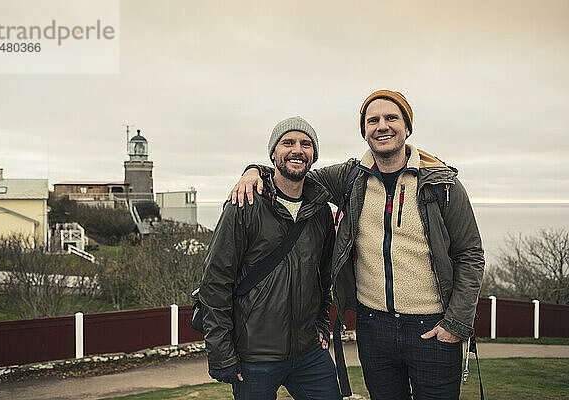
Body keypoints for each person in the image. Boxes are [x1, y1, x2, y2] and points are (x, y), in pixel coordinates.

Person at [229, 90, 485, 400]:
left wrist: (456, 323)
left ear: (407, 127)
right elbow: (295, 174)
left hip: (431, 328)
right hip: (374, 327)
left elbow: (470, 254)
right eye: (372, 120)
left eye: (391, 118)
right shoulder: (351, 178)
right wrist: (255, 171)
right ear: (364, 130)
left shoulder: (442, 184)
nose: (382, 126)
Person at [199, 116, 342, 400]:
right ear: (273, 153)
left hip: (309, 354)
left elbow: (323, 276)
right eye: (287, 143)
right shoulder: (245, 203)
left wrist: (322, 323)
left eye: (306, 144)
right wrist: (222, 354)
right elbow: (215, 282)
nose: (297, 150)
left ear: (313, 155)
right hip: (254, 356)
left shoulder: (321, 212)